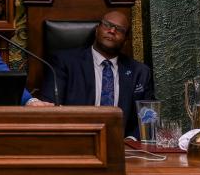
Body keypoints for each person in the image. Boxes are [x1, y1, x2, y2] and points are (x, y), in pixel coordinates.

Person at [40, 9, 154, 137]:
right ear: (96, 29)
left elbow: (147, 117)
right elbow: (49, 108)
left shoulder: (140, 72)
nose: (112, 31)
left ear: (125, 40)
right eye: (107, 25)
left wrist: (131, 141)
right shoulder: (64, 63)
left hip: (124, 148)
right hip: (75, 141)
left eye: (119, 30)